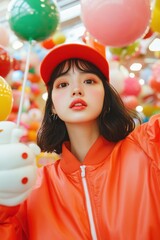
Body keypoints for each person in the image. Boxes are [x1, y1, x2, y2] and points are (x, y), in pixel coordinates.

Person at [0, 43, 160, 240]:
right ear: (53, 107)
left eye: (89, 81)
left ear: (106, 96)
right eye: (63, 84)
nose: (76, 89)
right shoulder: (32, 187)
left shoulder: (149, 145)